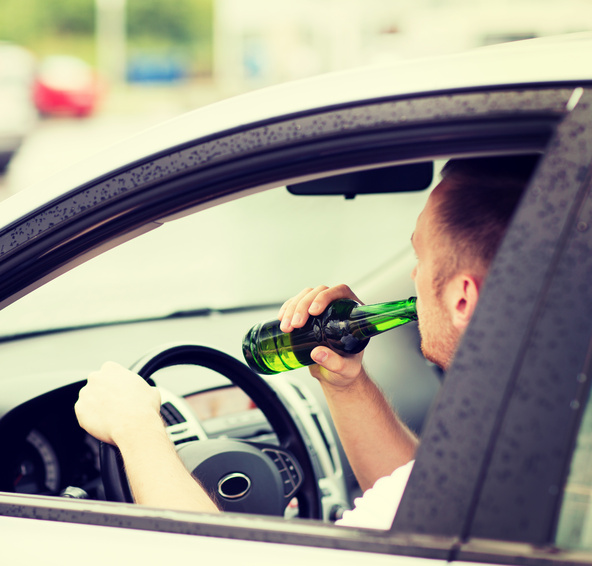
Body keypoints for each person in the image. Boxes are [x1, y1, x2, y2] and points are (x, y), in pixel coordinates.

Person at [74, 155, 540, 525]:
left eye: (419, 258)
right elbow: (416, 509)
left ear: (462, 299)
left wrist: (137, 432)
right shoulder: (541, 424)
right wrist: (345, 384)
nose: (412, 278)